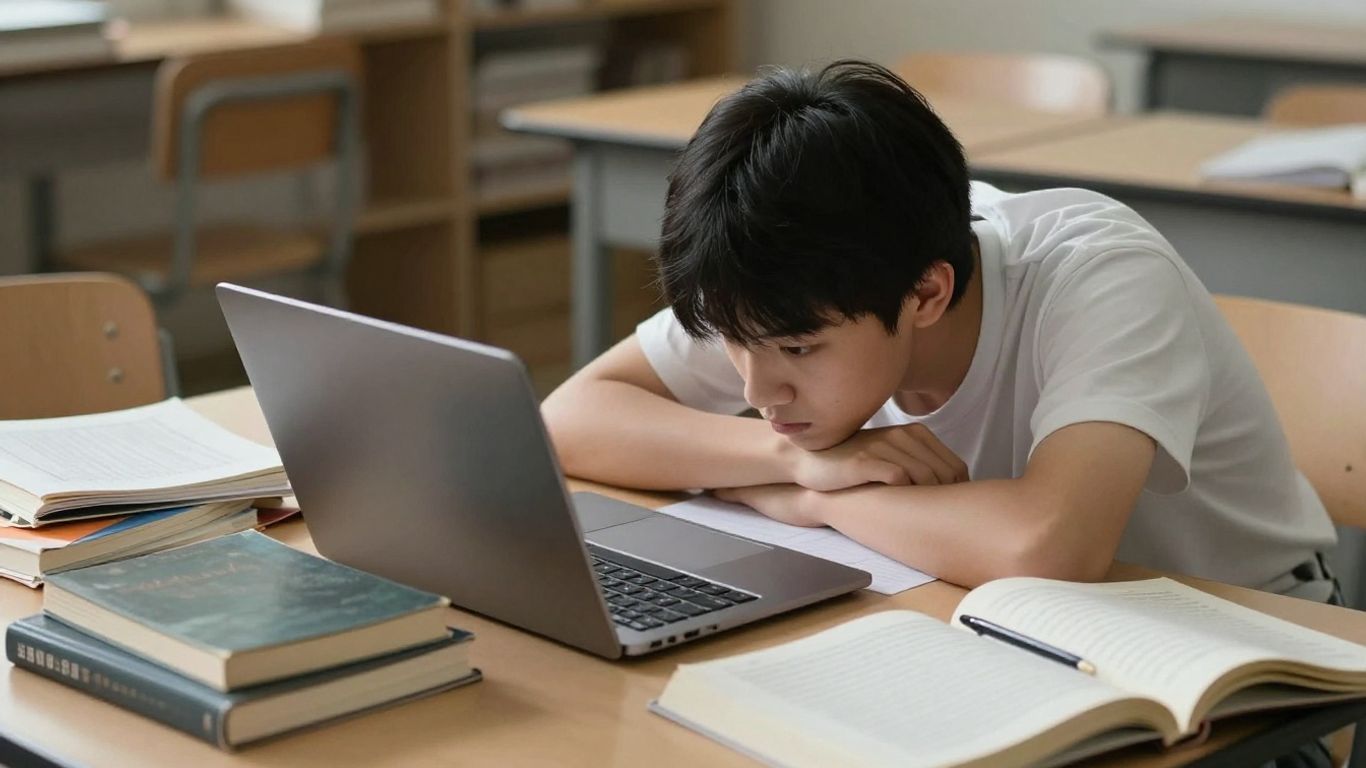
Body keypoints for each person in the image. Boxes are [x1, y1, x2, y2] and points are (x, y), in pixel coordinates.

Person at [541, 60, 1339, 604]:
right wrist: (790, 458)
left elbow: (1049, 548)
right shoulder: (786, 278)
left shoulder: (1100, 273)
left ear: (927, 292)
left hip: (1254, 656)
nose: (759, 389)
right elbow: (570, 419)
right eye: (731, 341)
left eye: (797, 351)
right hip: (1010, 622)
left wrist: (809, 500)